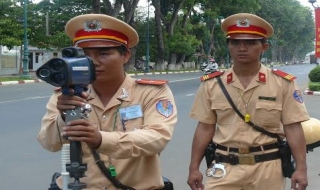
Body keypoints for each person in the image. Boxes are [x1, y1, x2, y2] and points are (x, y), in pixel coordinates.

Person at [37, 14, 177, 190]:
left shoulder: (151, 92)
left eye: (103, 53)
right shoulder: (66, 94)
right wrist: (64, 117)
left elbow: (157, 138)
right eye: (85, 55)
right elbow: (49, 143)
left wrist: (101, 139)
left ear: (126, 55)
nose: (93, 62)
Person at [187, 13, 309, 190]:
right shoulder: (212, 84)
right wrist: (193, 168)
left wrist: (301, 169)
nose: (242, 48)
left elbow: (293, 127)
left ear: (264, 47)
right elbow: (205, 127)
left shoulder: (282, 83)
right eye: (235, 42)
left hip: (268, 168)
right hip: (224, 167)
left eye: (250, 43)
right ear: (228, 46)